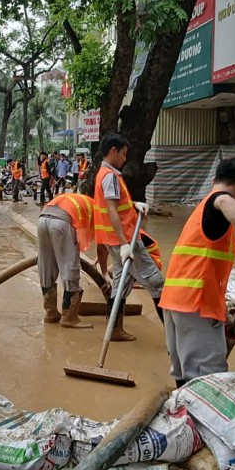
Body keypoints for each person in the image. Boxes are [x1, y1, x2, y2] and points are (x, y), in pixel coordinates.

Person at [160, 158, 235, 386]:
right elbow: (224, 200)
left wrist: (222, 318)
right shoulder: (219, 201)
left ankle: (183, 418)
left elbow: (206, 266)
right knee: (207, 380)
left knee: (184, 376)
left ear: (214, 180)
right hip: (195, 304)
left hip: (175, 302)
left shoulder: (201, 210)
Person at [93, 133, 164, 342]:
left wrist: (134, 205)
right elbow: (112, 210)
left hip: (116, 240)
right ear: (113, 151)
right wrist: (125, 244)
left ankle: (114, 330)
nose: (125, 158)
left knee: (120, 284)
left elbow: (117, 205)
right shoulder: (110, 177)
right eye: (123, 154)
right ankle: (175, 335)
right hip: (125, 241)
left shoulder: (107, 174)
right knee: (157, 283)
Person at [38, 182, 108, 329]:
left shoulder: (75, 198)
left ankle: (50, 313)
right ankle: (69, 317)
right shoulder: (97, 207)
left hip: (42, 220)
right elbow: (102, 246)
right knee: (70, 266)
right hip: (62, 223)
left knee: (46, 266)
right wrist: (105, 273)